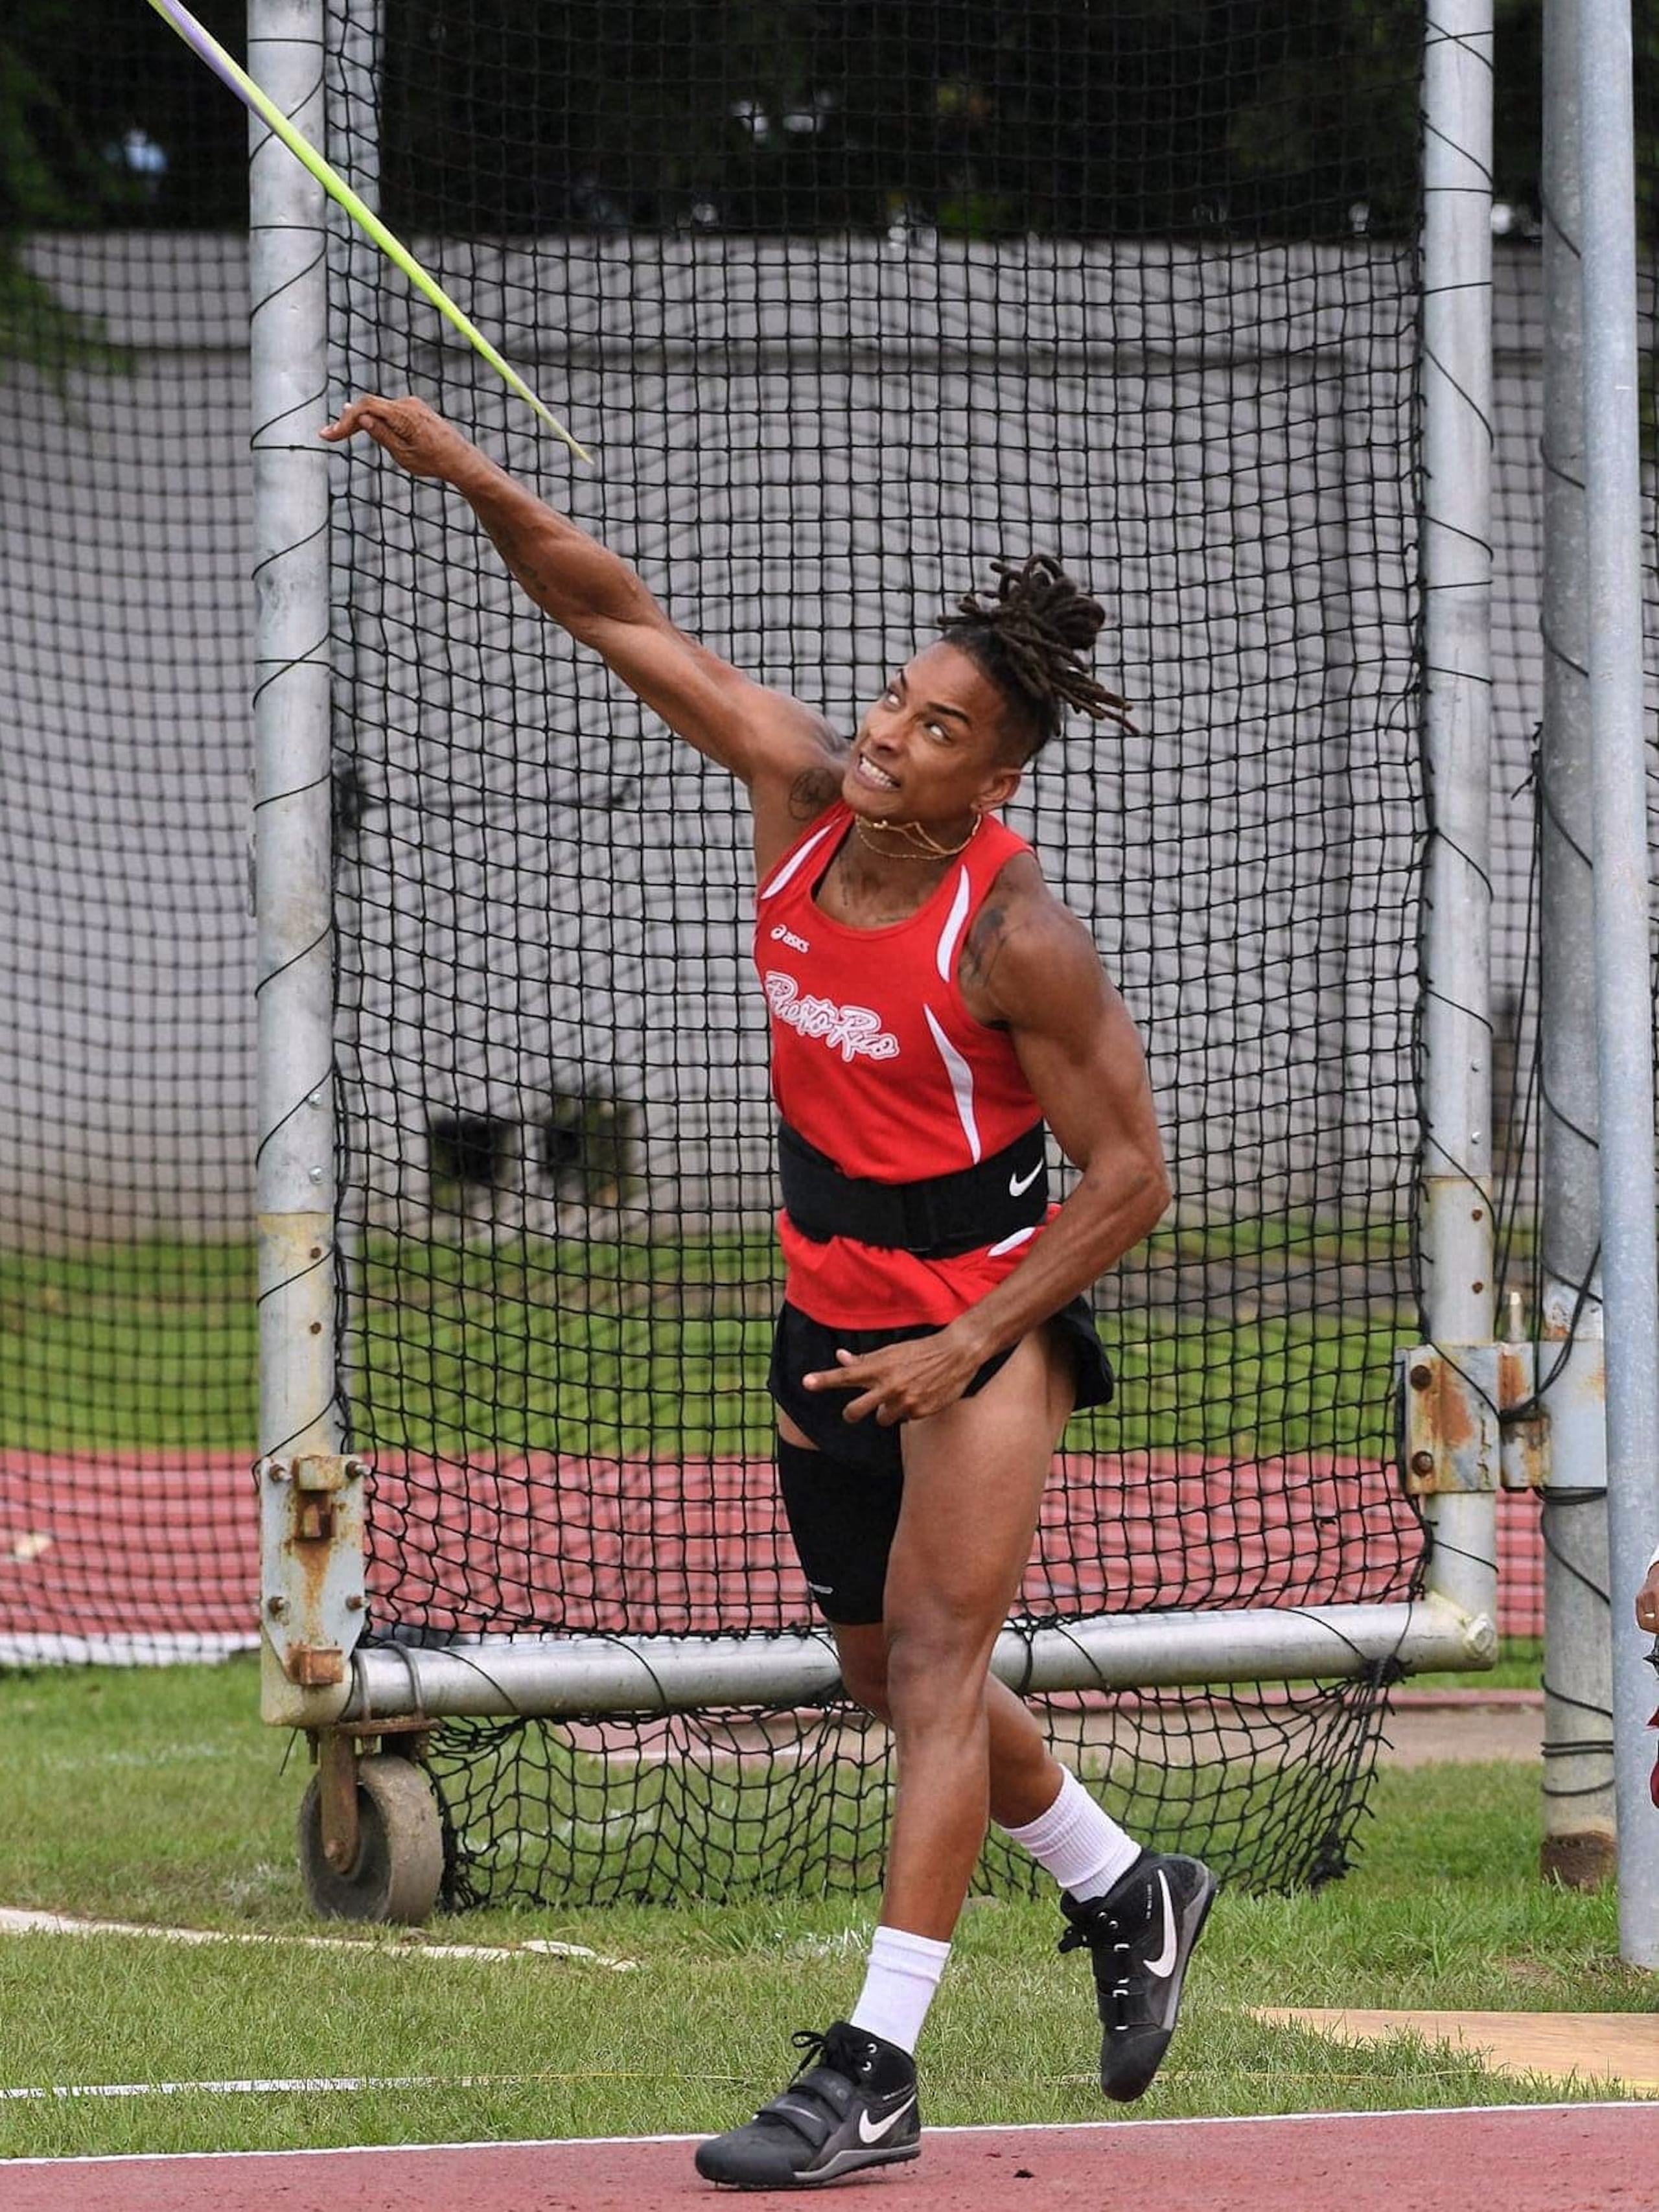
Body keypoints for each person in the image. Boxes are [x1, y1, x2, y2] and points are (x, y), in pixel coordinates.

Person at [320, 395, 1217, 2190]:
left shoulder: (1016, 935)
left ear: (999, 778)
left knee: (948, 1671)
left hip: (979, 1334)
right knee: (884, 1677)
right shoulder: (801, 798)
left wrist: (977, 1338)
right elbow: (615, 610)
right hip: (826, 1324)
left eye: (940, 727)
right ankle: (1130, 1884)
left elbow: (1133, 1180)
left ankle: (875, 2070)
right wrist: (481, 479)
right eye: (898, 696)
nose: (893, 732)